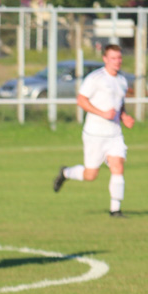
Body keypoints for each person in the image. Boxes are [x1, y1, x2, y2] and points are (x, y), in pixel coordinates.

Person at [52, 44, 135, 217]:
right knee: (91, 175)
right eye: (113, 58)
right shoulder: (95, 78)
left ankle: (115, 210)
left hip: (114, 134)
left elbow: (120, 104)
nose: (117, 61)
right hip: (94, 134)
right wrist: (102, 113)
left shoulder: (122, 80)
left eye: (119, 58)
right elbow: (81, 100)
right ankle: (66, 173)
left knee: (117, 166)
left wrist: (124, 116)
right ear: (105, 59)